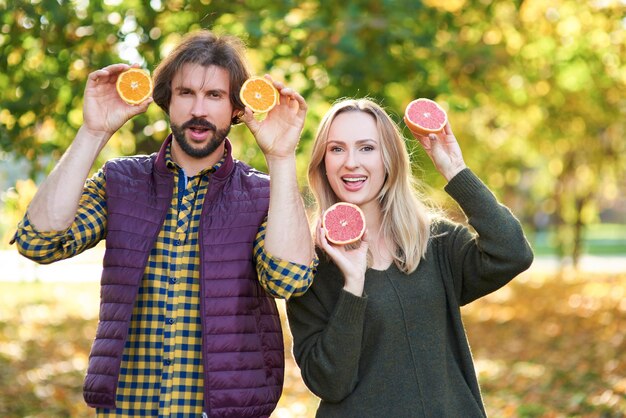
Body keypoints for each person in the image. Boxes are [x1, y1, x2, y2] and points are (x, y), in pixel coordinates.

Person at [11, 30, 317, 418]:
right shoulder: (120, 181)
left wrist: (282, 156)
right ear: (167, 101)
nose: (198, 110)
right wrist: (93, 132)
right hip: (127, 407)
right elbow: (39, 242)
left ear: (238, 108)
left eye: (215, 96)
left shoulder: (263, 195)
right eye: (186, 93)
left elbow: (289, 280)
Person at [286, 98, 534, 417]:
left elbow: (512, 253)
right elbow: (329, 382)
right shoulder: (309, 267)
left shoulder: (437, 242)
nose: (350, 162)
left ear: (389, 158)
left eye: (366, 148)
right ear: (323, 163)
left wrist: (454, 170)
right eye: (336, 149)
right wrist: (353, 285)